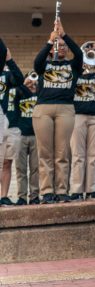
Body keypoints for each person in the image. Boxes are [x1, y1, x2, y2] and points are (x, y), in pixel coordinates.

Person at [33, 17, 82, 203]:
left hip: (65, 109)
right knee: (45, 153)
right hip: (43, 109)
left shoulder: (73, 66)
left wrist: (64, 35)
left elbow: (80, 55)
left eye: (63, 46)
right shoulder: (44, 65)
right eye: (58, 45)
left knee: (62, 153)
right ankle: (46, 192)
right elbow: (36, 63)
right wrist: (49, 40)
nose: (60, 47)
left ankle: (61, 191)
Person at [68, 63, 95, 200]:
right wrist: (79, 66)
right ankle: (77, 191)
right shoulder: (75, 75)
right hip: (78, 116)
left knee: (94, 156)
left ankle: (91, 190)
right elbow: (69, 82)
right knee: (78, 155)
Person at [0, 41, 25, 206]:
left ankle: (4, 196)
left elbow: (19, 79)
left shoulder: (7, 76)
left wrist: (9, 59)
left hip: (12, 124)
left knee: (7, 161)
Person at [13, 73, 40, 205]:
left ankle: (34, 196)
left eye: (34, 78)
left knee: (36, 168)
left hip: (36, 135)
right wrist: (24, 85)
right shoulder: (19, 92)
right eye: (30, 77)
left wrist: (37, 86)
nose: (32, 80)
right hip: (21, 135)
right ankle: (22, 197)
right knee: (20, 169)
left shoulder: (41, 93)